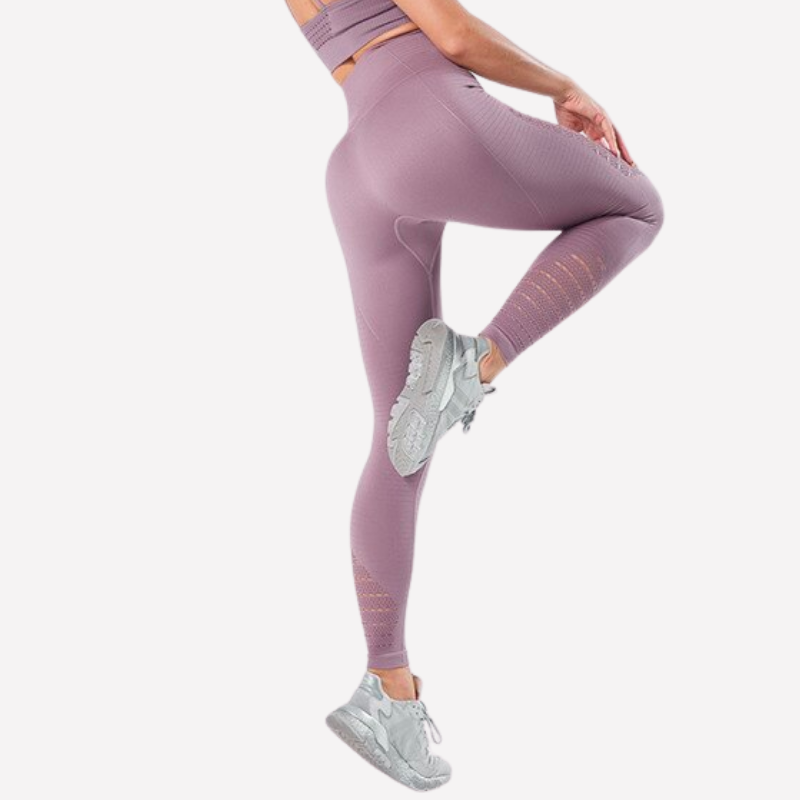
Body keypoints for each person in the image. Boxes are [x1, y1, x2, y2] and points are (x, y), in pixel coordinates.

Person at [283, 0, 664, 789]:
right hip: (426, 116)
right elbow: (451, 33)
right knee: (637, 205)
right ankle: (476, 362)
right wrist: (566, 87)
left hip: (357, 169)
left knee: (400, 437)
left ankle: (386, 690)